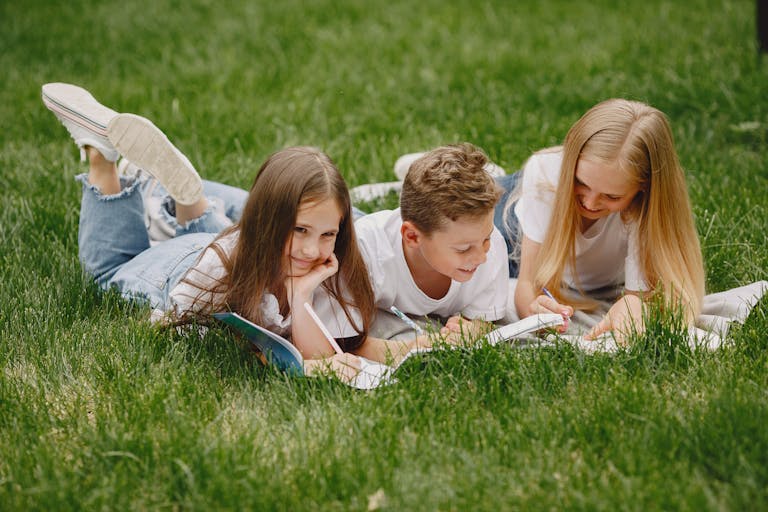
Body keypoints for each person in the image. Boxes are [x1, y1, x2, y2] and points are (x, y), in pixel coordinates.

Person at [42, 82, 422, 381]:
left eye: (327, 234)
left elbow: (316, 355)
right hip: (179, 270)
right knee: (110, 271)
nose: (312, 249)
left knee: (238, 250)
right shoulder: (218, 271)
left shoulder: (335, 266)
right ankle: (101, 155)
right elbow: (176, 325)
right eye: (300, 229)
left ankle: (195, 207)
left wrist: (301, 294)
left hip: (229, 248)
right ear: (270, 220)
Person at [496, 98, 705, 340]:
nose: (590, 203)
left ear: (643, 189)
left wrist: (632, 307)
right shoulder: (546, 175)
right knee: (461, 217)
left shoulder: (645, 212)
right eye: (581, 183)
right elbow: (527, 285)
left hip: (554, 228)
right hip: (517, 222)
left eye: (611, 196)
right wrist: (534, 311)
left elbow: (637, 302)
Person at [353, 143, 510, 340]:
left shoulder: (493, 247)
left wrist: (473, 329)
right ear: (412, 237)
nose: (481, 257)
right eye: (463, 249)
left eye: (485, 239)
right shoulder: (366, 251)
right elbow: (343, 339)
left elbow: (484, 321)